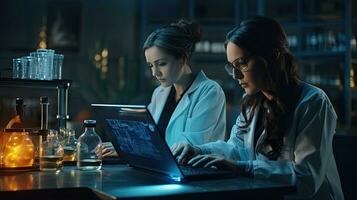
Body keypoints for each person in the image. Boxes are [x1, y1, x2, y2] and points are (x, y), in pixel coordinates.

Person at [172, 16, 344, 200]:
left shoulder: (313, 102)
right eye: (232, 66)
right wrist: (198, 150)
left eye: (242, 63)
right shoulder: (252, 101)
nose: (236, 75)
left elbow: (306, 178)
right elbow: (236, 148)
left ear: (273, 55)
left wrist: (243, 168)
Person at [102, 19, 226, 156]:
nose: (155, 73)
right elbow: (146, 137)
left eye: (161, 64)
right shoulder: (160, 93)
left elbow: (186, 148)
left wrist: (130, 148)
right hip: (162, 170)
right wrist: (122, 145)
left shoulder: (209, 92)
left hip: (194, 172)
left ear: (183, 58)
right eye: (151, 66)